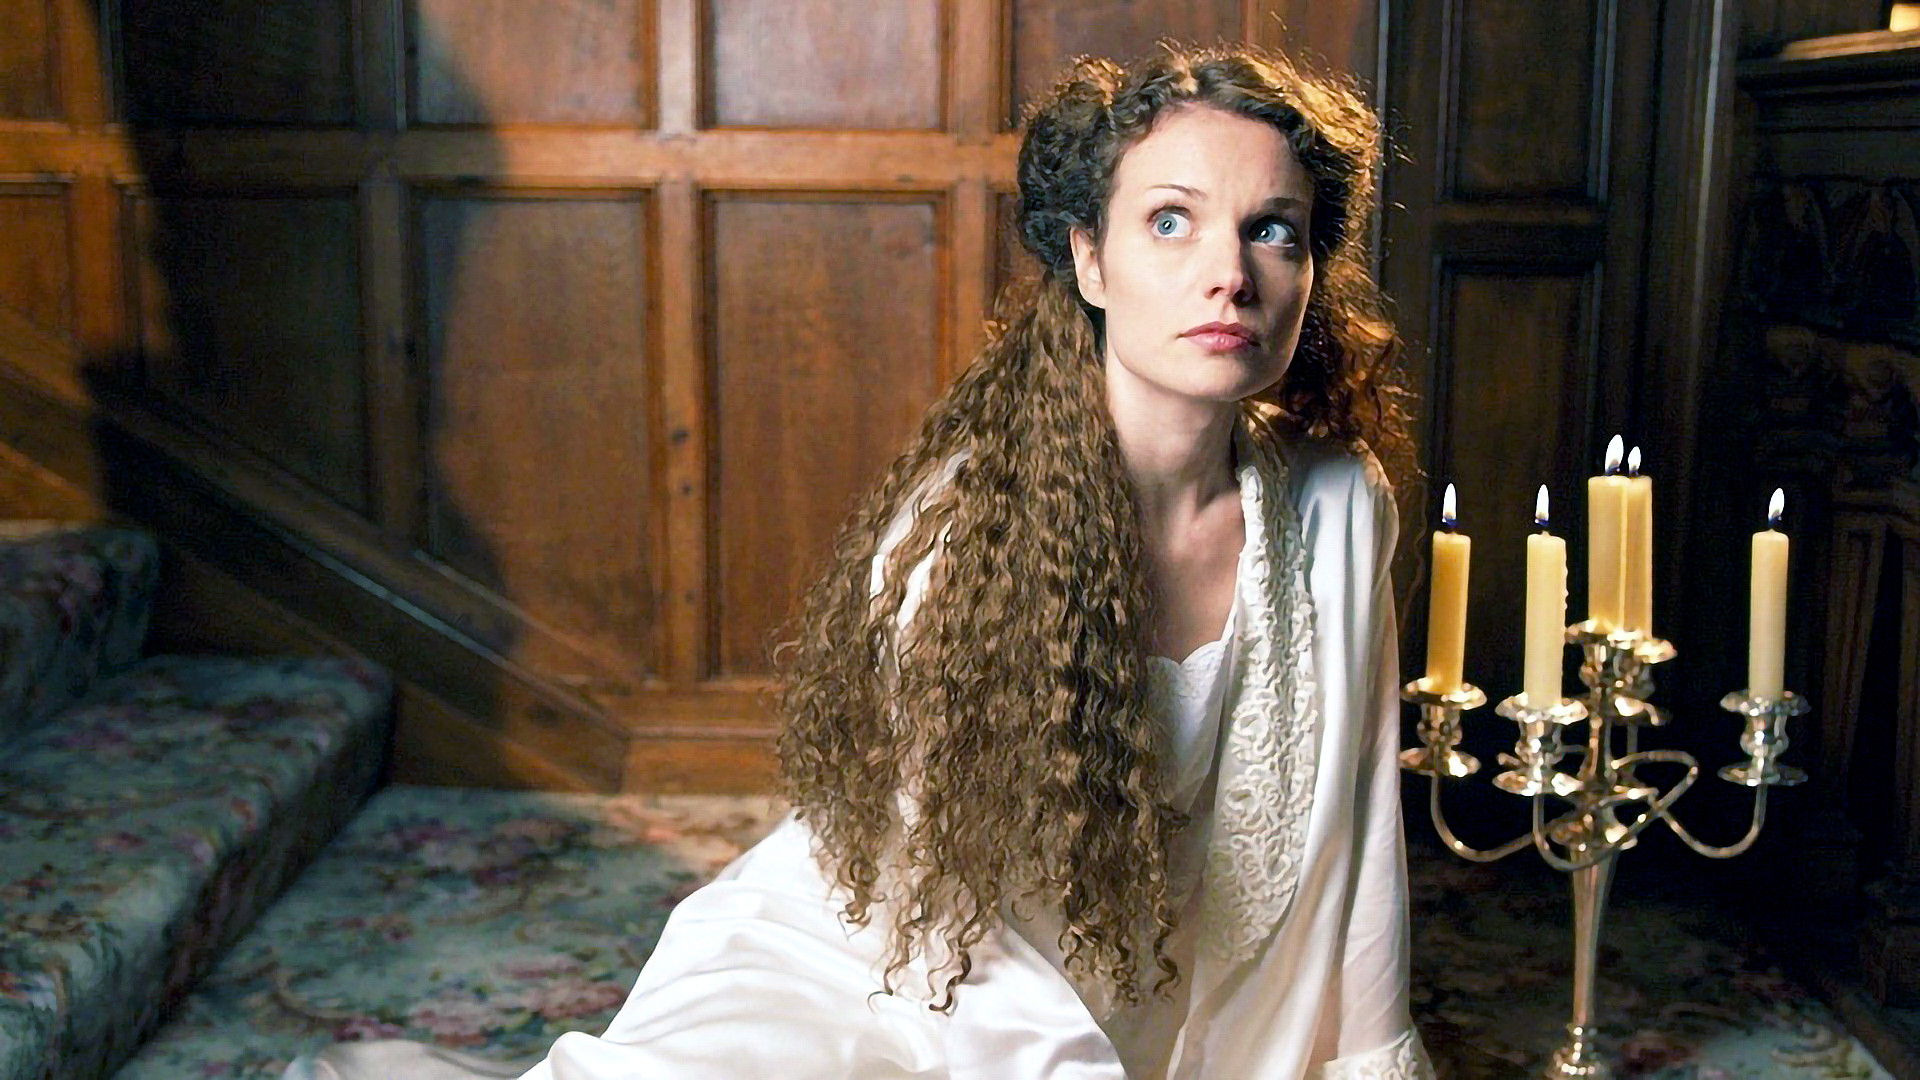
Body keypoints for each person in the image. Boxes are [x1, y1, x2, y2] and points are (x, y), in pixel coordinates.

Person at [288, 40, 1433, 1080]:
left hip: (1153, 1005)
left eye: (1272, 229)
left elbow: (1357, 844)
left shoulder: (1338, 506)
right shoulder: (970, 527)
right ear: (1090, 259)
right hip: (904, 978)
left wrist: (1372, 1064)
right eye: (1171, 222)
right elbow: (936, 903)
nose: (1229, 273)